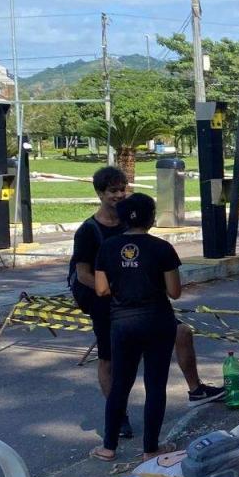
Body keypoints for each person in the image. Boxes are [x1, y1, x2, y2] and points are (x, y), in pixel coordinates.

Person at [69, 166, 222, 442]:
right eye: (112, 191)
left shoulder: (134, 230)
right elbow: (83, 275)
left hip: (146, 307)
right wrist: (114, 292)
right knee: (109, 360)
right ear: (99, 193)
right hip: (108, 305)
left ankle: (195, 388)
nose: (118, 195)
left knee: (182, 332)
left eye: (122, 189)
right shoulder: (89, 232)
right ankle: (119, 418)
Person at [90, 192, 181, 461]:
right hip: (157, 321)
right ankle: (151, 447)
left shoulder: (107, 248)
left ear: (121, 219)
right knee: (155, 385)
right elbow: (174, 291)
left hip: (122, 322)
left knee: (120, 383)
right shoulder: (162, 248)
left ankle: (108, 447)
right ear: (152, 218)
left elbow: (101, 288)